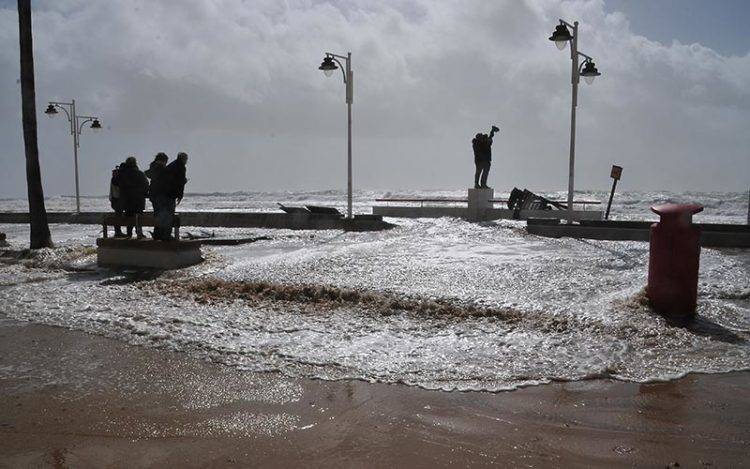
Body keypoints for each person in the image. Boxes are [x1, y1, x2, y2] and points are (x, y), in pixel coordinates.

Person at [151, 152, 188, 241]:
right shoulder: (180, 166)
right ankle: (166, 235)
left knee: (160, 215)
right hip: (169, 195)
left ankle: (157, 234)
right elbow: (180, 182)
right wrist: (180, 195)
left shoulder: (170, 166)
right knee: (168, 215)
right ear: (184, 159)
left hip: (159, 194)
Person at [115, 156, 149, 239]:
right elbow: (146, 185)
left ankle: (129, 234)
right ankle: (139, 233)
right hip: (138, 200)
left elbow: (117, 184)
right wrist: (143, 193)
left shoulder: (123, 174)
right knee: (138, 217)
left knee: (129, 216)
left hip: (127, 200)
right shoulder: (140, 173)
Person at [146, 152, 169, 240]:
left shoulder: (153, 167)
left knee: (158, 214)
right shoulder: (160, 168)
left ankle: (157, 233)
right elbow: (163, 182)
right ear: (162, 161)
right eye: (166, 161)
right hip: (160, 195)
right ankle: (160, 234)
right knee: (162, 215)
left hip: (154, 194)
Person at [472, 125, 499, 189]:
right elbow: (479, 150)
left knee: (485, 172)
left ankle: (483, 184)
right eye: (481, 137)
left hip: (485, 160)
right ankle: (477, 184)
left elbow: (489, 139)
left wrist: (492, 132)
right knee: (478, 172)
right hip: (480, 160)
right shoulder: (476, 143)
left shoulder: (484, 142)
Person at [108, 165, 125, 238]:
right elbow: (119, 189)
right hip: (118, 199)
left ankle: (118, 232)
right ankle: (118, 232)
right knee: (118, 216)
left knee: (118, 215)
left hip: (114, 199)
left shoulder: (114, 178)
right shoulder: (118, 178)